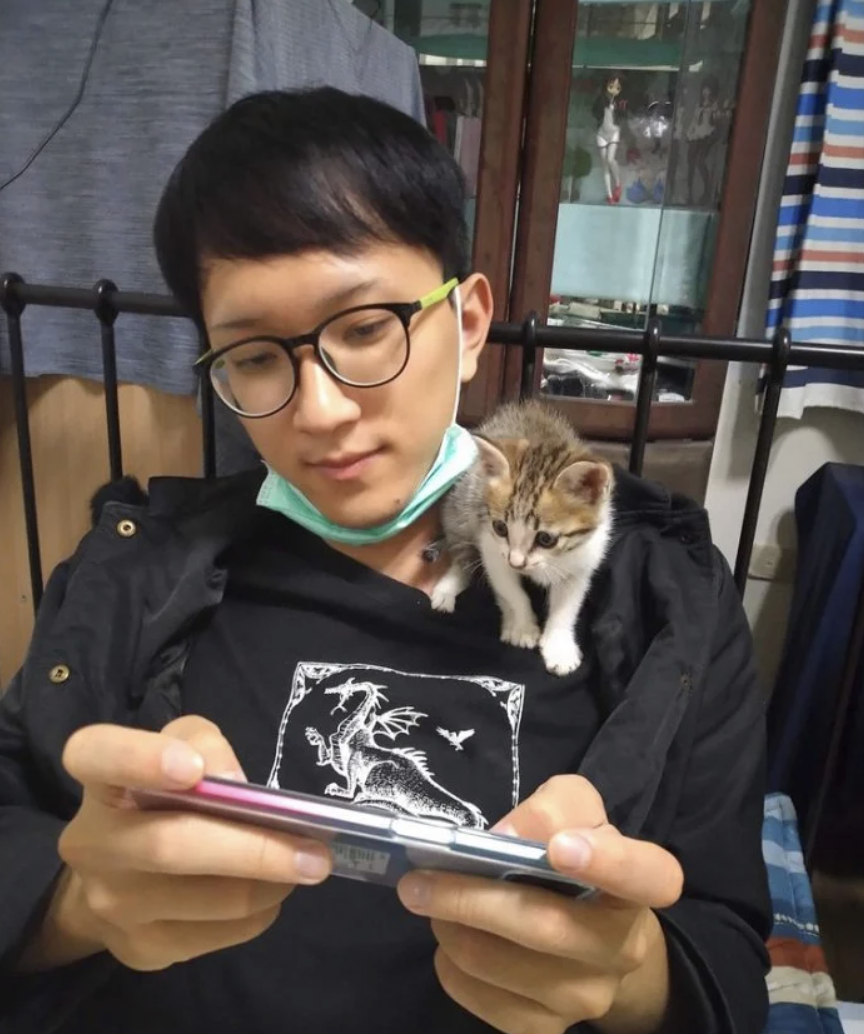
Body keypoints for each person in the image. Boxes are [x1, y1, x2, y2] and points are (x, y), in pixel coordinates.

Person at [0, 87, 770, 1034]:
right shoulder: (133, 572)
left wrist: (631, 972)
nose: (319, 411)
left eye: (366, 329)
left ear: (470, 323)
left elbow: (727, 954)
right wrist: (78, 905)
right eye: (253, 356)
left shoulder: (663, 599)